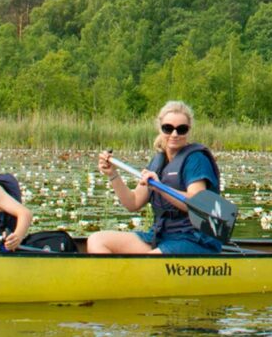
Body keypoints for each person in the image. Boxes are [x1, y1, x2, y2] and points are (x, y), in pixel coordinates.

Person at [88, 100, 223, 254]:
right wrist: (113, 174)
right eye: (168, 128)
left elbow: (197, 203)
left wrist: (161, 187)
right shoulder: (157, 162)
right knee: (97, 240)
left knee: (149, 262)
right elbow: (133, 203)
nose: (174, 134)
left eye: (181, 129)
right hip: (160, 236)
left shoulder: (196, 159)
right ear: (160, 128)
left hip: (193, 239)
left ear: (188, 131)